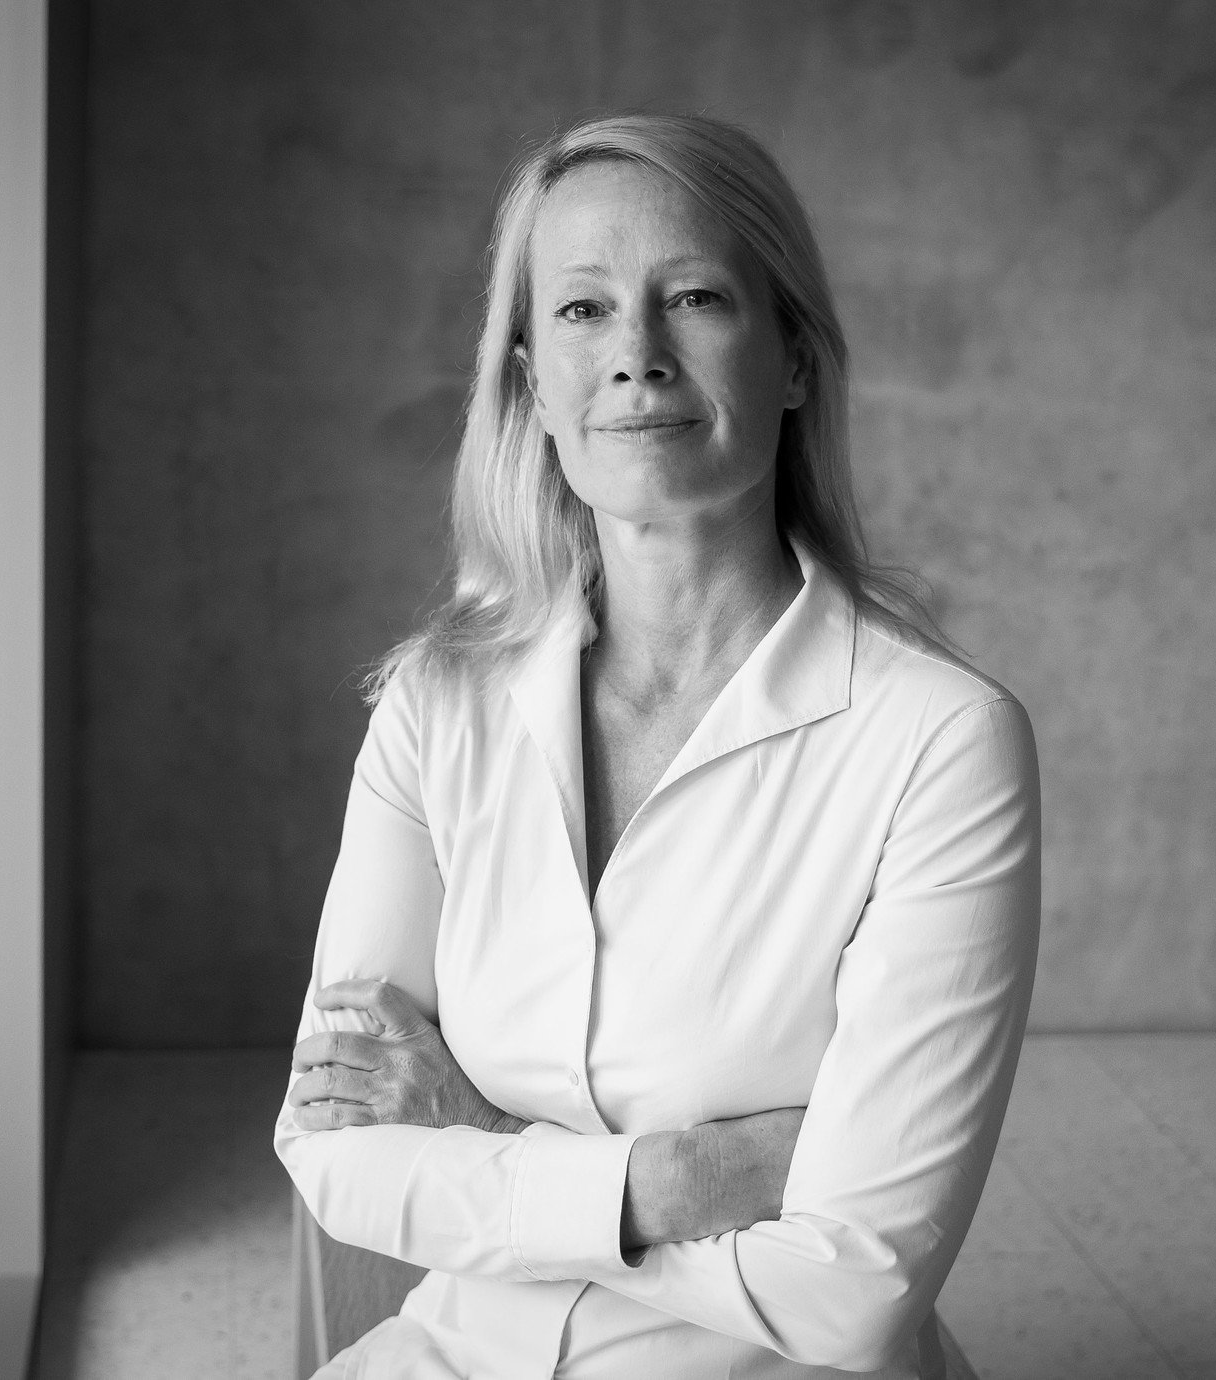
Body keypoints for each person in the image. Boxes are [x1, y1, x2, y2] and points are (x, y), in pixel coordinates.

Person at [274, 112, 1040, 1379]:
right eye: (580, 311)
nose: (634, 358)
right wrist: (689, 1174)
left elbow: (853, 1289)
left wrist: (482, 1143)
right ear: (527, 378)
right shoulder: (435, 703)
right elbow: (333, 1153)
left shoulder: (942, 742)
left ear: (793, 357)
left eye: (691, 297)